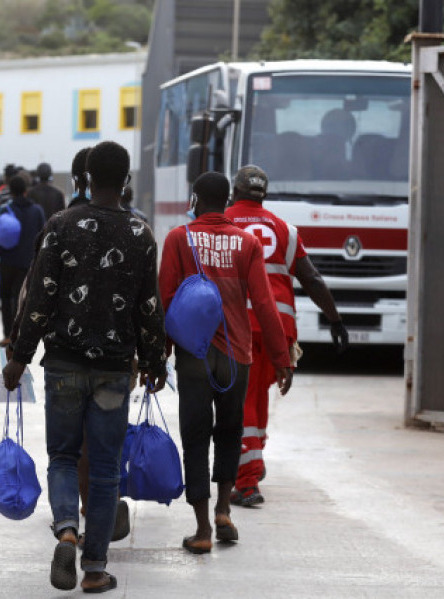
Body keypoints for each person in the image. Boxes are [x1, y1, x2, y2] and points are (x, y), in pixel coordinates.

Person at [3, 141, 167, 593]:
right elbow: (149, 306)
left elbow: (40, 296)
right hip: (115, 369)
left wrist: (19, 356)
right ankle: (94, 568)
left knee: (62, 456)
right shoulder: (141, 234)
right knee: (107, 466)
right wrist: (156, 361)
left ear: (86, 178)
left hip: (63, 365)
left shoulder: (61, 226)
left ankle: (66, 531)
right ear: (127, 180)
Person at [158, 171, 292, 555]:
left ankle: (201, 530)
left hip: (194, 356)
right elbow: (264, 305)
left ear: (196, 200)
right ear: (226, 200)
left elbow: (166, 300)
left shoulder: (179, 239)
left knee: (196, 437)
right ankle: (222, 511)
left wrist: (158, 355)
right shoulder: (246, 242)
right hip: (237, 355)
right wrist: (281, 358)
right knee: (230, 433)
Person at [225, 164, 349, 507]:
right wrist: (335, 319)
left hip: (240, 324)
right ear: (264, 195)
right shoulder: (284, 230)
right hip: (278, 329)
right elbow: (312, 278)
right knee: (260, 393)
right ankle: (253, 459)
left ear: (235, 191)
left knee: (243, 400)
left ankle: (247, 482)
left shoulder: (223, 224)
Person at [0, 173, 45, 347]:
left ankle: (7, 335)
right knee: (23, 300)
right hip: (28, 262)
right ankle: (20, 334)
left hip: (7, 261)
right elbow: (44, 236)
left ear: (11, 192)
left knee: (6, 298)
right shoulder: (37, 211)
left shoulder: (6, 210)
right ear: (26, 191)